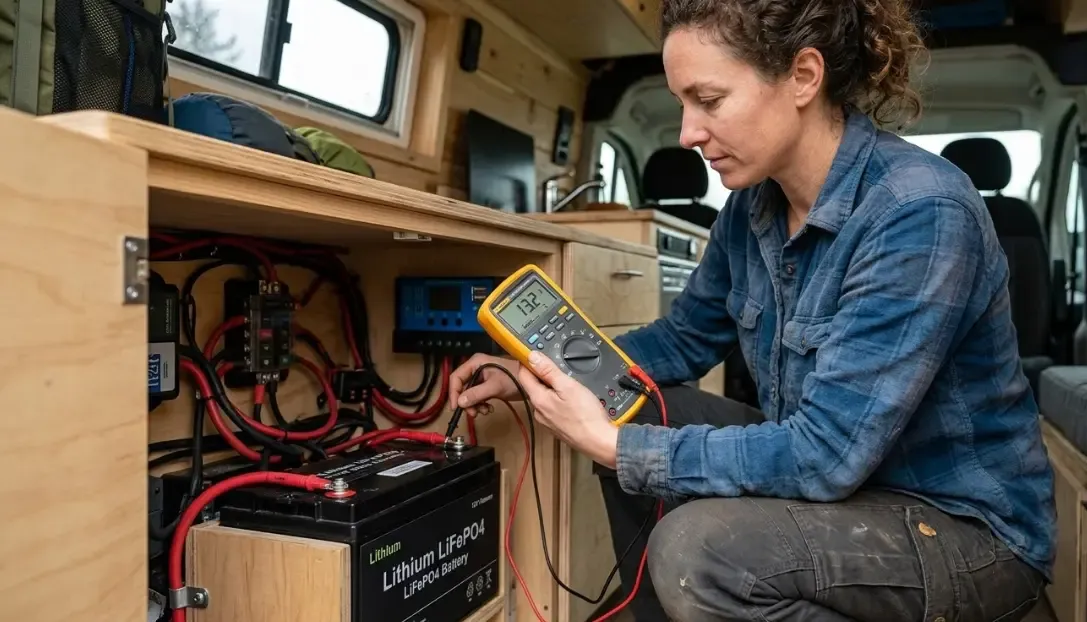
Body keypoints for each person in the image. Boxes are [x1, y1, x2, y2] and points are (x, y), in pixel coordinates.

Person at [448, 0, 1057, 619]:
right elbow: (683, 339)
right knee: (640, 403)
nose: (687, 132)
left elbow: (826, 455)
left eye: (708, 101)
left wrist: (617, 449)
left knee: (697, 550)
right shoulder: (750, 210)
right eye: (682, 104)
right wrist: (535, 375)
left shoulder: (918, 212)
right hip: (849, 492)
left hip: (964, 530)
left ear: (802, 77)